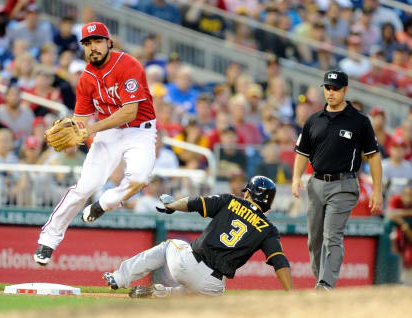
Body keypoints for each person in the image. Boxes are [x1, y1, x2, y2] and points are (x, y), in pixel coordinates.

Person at [34, 22, 156, 266]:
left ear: (109, 42)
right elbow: (80, 120)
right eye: (88, 43)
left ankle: (106, 203)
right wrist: (75, 131)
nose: (93, 47)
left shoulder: (128, 65)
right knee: (84, 187)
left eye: (98, 41)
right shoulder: (86, 79)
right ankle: (48, 240)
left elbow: (129, 112)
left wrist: (91, 129)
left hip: (139, 131)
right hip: (108, 134)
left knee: (140, 178)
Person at [102, 176, 293, 297]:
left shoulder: (231, 201)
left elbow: (195, 203)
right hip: (213, 286)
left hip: (189, 264)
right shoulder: (269, 229)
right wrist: (292, 295)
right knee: (197, 295)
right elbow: (280, 263)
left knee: (169, 245)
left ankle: (120, 278)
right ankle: (160, 294)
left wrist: (172, 205)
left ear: (250, 194)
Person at [292, 69, 383, 290]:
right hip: (316, 183)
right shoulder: (313, 120)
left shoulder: (360, 121)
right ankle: (320, 282)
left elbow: (373, 155)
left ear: (346, 90)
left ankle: (325, 284)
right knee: (314, 240)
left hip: (344, 184)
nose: (331, 93)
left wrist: (377, 190)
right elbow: (302, 153)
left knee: (332, 235)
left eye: (336, 89)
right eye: (327, 88)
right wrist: (295, 178)